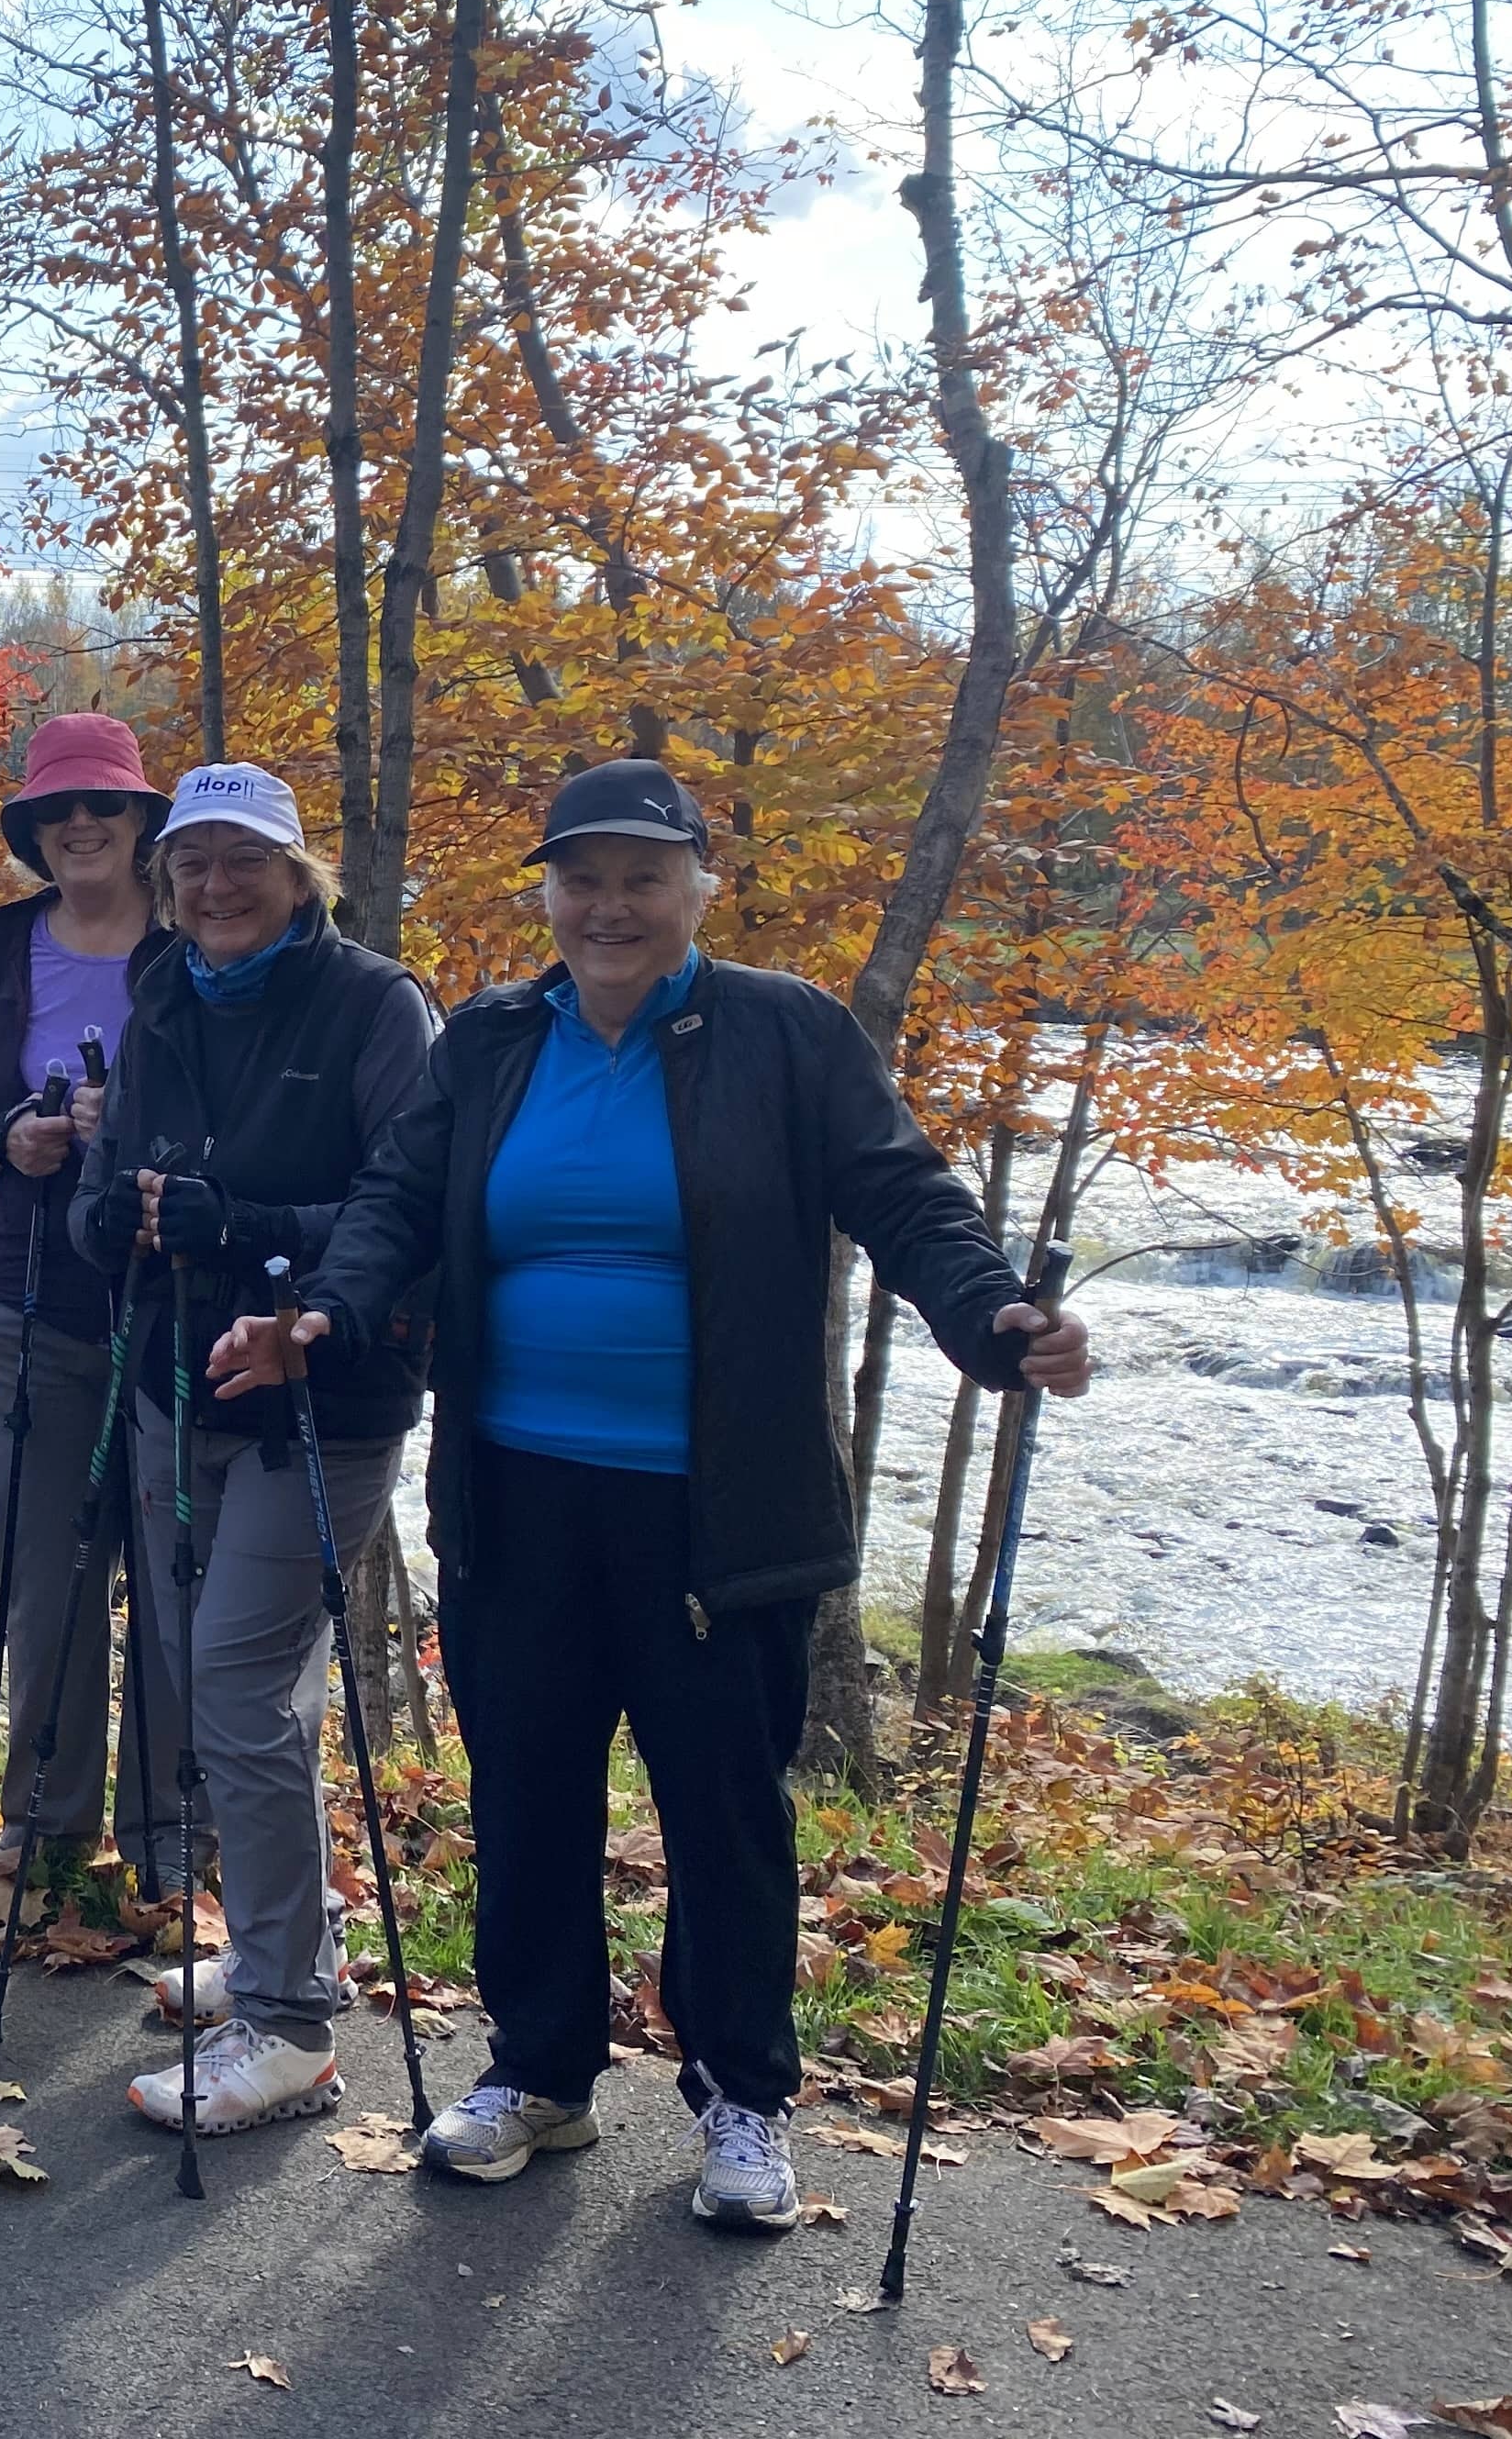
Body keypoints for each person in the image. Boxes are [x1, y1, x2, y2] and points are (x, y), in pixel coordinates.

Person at [212, 756, 1095, 2229]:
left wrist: (994, 1319)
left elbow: (903, 1193)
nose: (609, 907)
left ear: (700, 887)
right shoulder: (493, 1038)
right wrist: (325, 1316)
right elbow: (398, 1203)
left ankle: (743, 2097)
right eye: (583, 880)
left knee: (722, 1812)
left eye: (642, 877)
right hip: (516, 1491)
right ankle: (539, 2075)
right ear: (551, 896)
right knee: (529, 1795)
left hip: (719, 1509)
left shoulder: (786, 1032)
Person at [61, 762, 438, 2138]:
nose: (217, 887)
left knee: (236, 1686)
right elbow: (106, 1195)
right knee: (217, 1683)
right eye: (194, 864)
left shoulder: (375, 1004)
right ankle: (282, 1940)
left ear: (297, 874)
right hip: (177, 1388)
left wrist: (241, 1224)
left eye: (245, 861)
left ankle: (289, 2027)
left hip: (318, 1399)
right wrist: (115, 1217)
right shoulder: (163, 996)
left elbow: (412, 1201)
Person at [0, 713, 172, 1884]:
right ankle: (46, 1827)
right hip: (33, 1288)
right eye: (58, 809)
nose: (82, 824)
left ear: (141, 821)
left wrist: (128, 1128)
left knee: (177, 1580)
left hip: (178, 1298)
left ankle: (171, 1836)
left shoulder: (191, 941)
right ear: (32, 828)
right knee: (46, 1572)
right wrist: (8, 1138)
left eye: (105, 805)